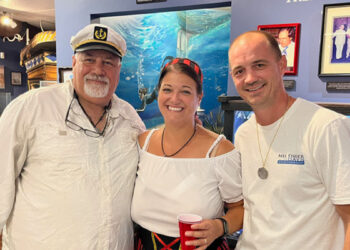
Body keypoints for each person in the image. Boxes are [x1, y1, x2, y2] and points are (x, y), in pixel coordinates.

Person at [0, 23, 145, 249]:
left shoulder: (131, 120)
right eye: (89, 59)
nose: (98, 70)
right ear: (74, 63)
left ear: (119, 69)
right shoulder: (30, 109)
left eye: (108, 62)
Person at [228, 30, 350, 250]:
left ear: (282, 64)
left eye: (259, 65)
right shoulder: (243, 134)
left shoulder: (325, 127)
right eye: (239, 71)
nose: (250, 78)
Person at [131, 57, 243, 249]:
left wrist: (220, 226)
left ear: (199, 97)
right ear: (158, 93)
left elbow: (241, 208)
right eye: (167, 89)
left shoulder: (220, 151)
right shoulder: (142, 143)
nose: (174, 99)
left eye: (185, 91)